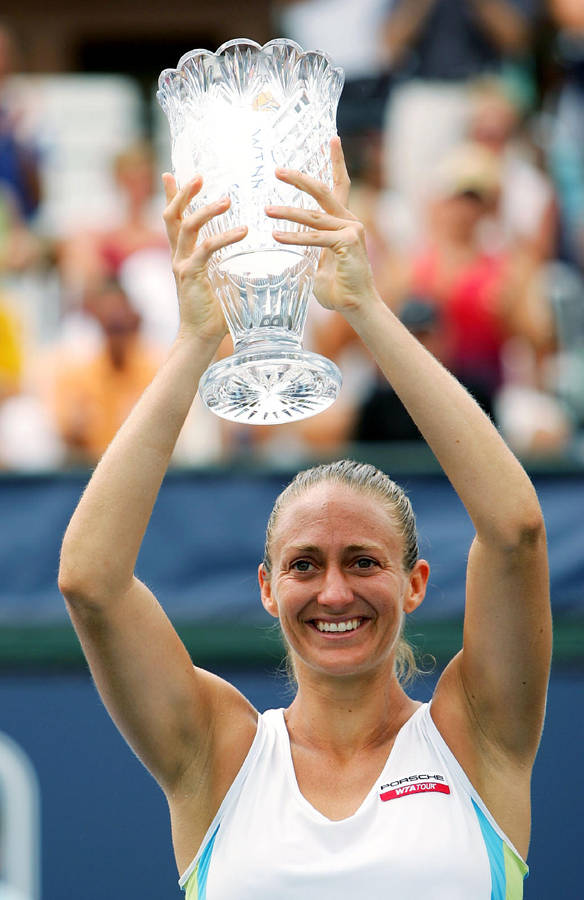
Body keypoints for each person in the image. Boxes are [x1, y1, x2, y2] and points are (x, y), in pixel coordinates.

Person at [58, 138, 551, 898]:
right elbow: (90, 582)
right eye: (304, 564)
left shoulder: (474, 731)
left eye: (363, 560)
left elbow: (515, 532)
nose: (333, 592)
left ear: (416, 582)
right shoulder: (217, 750)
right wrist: (197, 340)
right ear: (265, 586)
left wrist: (364, 307)